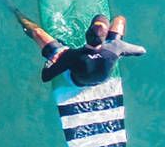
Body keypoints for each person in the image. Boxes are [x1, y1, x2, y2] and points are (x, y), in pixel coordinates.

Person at [10, 7, 147, 87]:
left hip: (77, 82)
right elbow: (141, 51)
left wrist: (50, 62)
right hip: (104, 77)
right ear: (106, 38)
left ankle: (14, 10)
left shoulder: (71, 56)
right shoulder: (116, 47)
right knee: (119, 20)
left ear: (86, 33)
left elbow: (46, 77)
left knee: (37, 32)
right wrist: (119, 51)